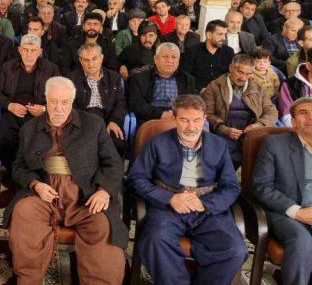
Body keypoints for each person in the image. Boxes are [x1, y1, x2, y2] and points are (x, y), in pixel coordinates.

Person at [7, 76, 126, 285]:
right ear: (45, 99)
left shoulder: (93, 125)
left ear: (73, 101)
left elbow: (113, 164)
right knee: (23, 212)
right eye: (53, 102)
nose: (59, 108)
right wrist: (36, 185)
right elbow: (18, 167)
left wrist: (104, 191)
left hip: (85, 198)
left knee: (103, 226)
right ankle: (29, 278)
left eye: (65, 102)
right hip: (44, 198)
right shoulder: (29, 129)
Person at [128, 94, 247, 285]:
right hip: (168, 207)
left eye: (196, 120)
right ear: (174, 118)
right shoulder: (158, 142)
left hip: (206, 208)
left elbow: (231, 186)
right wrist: (169, 198)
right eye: (184, 120)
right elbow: (136, 178)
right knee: (155, 240)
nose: (191, 127)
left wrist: (205, 204)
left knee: (235, 249)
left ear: (204, 119)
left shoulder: (219, 145)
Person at [253, 96, 312, 285]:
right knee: (302, 240)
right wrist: (298, 212)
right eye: (303, 113)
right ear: (293, 122)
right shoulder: (274, 144)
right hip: (285, 213)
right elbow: (262, 187)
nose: (310, 117)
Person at [0, 34, 60, 170]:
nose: (29, 54)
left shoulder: (51, 69)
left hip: (38, 113)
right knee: (3, 138)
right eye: (25, 50)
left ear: (40, 51)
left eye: (33, 50)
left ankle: (30, 171)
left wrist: (44, 109)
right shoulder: (8, 67)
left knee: (36, 140)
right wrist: (9, 105)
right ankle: (11, 170)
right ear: (19, 50)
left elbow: (59, 95)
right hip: (13, 111)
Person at [203, 54, 278, 165]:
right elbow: (208, 113)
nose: (243, 78)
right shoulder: (214, 86)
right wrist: (224, 129)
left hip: (252, 130)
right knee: (225, 160)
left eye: (248, 74)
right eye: (240, 72)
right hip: (224, 130)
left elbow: (271, 112)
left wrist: (259, 125)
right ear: (231, 68)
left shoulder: (258, 87)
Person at [66, 43, 126, 154]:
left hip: (107, 119)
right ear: (80, 60)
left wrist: (114, 121)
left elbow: (120, 102)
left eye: (94, 59)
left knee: (118, 143)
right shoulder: (71, 78)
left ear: (101, 58)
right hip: (82, 119)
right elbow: (69, 105)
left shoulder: (114, 77)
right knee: (85, 144)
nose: (91, 64)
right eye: (86, 60)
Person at [128, 42, 197, 125]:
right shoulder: (140, 78)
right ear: (156, 59)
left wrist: (178, 115)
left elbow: (191, 104)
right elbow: (136, 104)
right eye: (165, 56)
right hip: (151, 121)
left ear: (178, 61)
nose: (170, 60)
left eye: (174, 57)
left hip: (179, 121)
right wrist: (161, 114)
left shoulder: (187, 79)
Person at [181, 19, 234, 91]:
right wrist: (200, 89)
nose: (224, 38)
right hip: (197, 92)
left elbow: (230, 75)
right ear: (209, 35)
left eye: (225, 34)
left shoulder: (228, 52)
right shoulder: (192, 51)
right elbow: (185, 76)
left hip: (221, 91)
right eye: (220, 34)